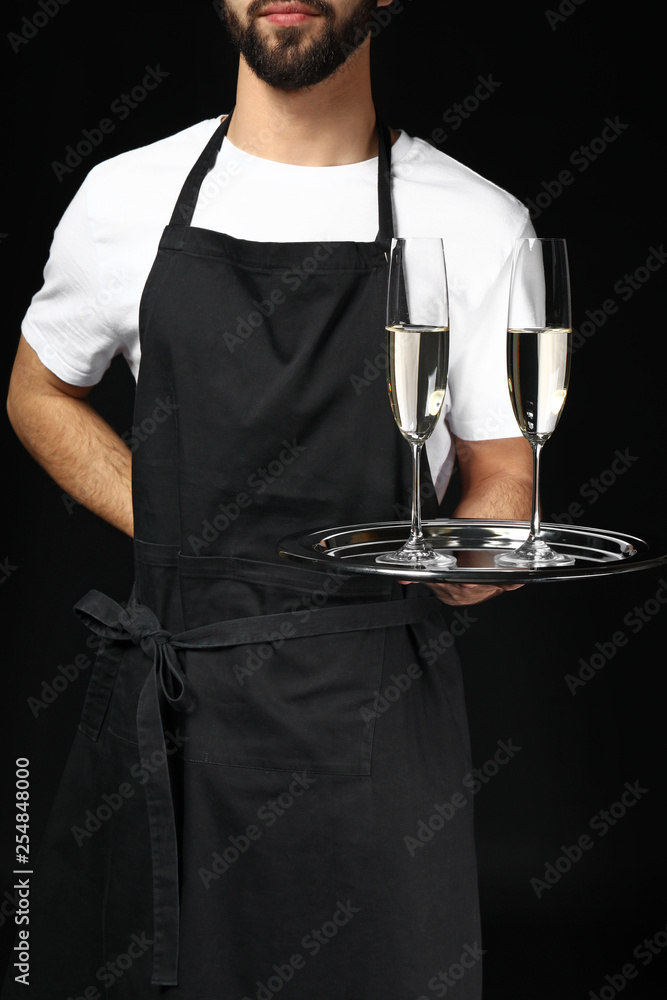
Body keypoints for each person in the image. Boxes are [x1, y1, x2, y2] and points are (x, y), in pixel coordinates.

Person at [4, 1, 534, 997]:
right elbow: (37, 389)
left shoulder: (476, 220)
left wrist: (482, 552)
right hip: (175, 724)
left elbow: (502, 466)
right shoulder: (126, 197)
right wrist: (168, 521)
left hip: (374, 737)